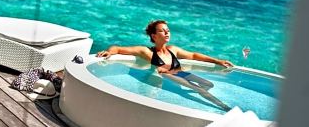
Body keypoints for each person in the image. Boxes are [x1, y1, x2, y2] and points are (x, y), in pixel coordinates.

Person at [97, 20, 234, 111]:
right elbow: (118, 48)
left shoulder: (173, 49)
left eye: (168, 30)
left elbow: (193, 55)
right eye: (163, 31)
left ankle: (191, 92)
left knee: (209, 85)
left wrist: (217, 61)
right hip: (168, 74)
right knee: (199, 89)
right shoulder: (147, 51)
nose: (167, 32)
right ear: (154, 36)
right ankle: (224, 107)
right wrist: (109, 52)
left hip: (180, 73)